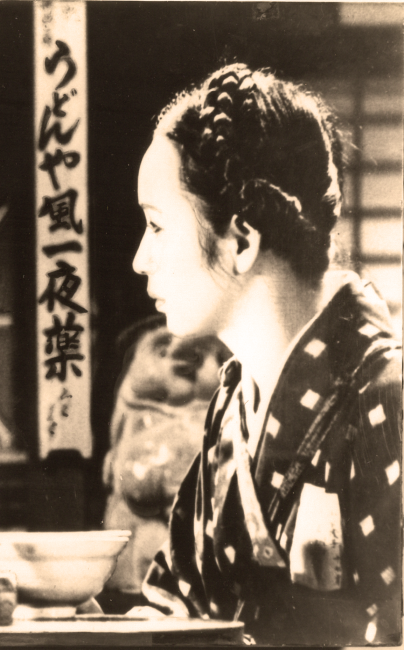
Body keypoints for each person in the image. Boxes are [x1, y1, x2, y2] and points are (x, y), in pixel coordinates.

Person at [132, 63, 401, 645]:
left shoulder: (387, 398)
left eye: (156, 226)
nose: (139, 259)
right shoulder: (234, 401)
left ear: (241, 240)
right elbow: (178, 597)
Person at [102, 316, 228, 609]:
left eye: (204, 355)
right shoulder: (134, 403)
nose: (182, 358)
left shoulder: (221, 405)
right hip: (135, 525)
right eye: (161, 350)